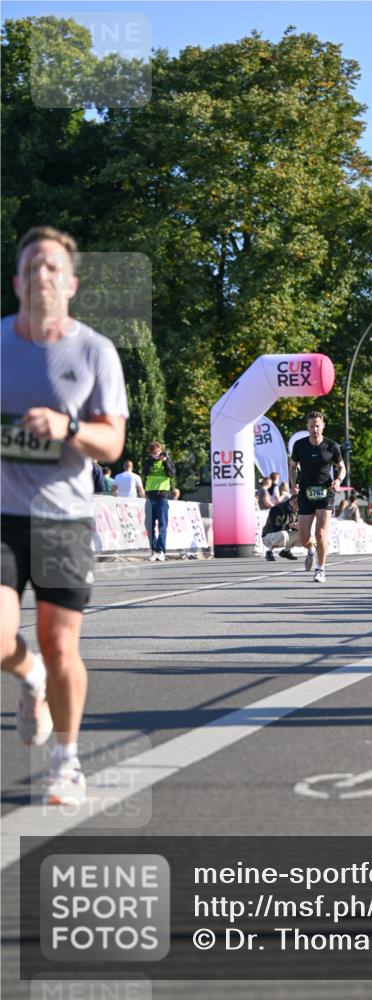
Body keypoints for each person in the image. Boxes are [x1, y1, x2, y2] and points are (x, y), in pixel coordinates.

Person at [1, 225, 127, 805]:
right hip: (2, 514)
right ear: (16, 280)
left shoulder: (94, 351)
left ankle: (67, 763)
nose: (41, 275)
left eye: (52, 267)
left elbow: (113, 445)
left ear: (72, 284)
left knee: (59, 645)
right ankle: (29, 681)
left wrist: (68, 427)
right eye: (31, 266)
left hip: (63, 518)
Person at [289, 411, 345, 583]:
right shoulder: (299, 445)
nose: (315, 429)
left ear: (323, 426)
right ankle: (311, 550)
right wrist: (293, 484)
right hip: (305, 492)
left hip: (325, 492)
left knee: (320, 533)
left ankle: (320, 569)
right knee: (303, 537)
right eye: (312, 426)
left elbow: (341, 467)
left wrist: (338, 480)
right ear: (307, 427)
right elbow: (292, 467)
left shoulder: (332, 446)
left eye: (318, 426)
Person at [143, 441, 176, 562]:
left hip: (162, 496)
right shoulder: (148, 462)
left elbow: (172, 474)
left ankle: (161, 550)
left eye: (157, 452)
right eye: (153, 453)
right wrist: (154, 460)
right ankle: (154, 550)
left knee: (162, 524)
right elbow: (146, 472)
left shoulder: (167, 460)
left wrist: (165, 461)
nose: (156, 454)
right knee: (149, 525)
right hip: (151, 496)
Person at [262, 493, 300, 561]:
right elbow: (276, 527)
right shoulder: (277, 509)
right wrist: (290, 525)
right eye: (298, 506)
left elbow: (294, 528)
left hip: (283, 535)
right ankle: (269, 552)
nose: (298, 509)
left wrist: (298, 526)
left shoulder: (297, 510)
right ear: (293, 503)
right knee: (283, 534)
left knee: (302, 534)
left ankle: (285, 551)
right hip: (268, 536)